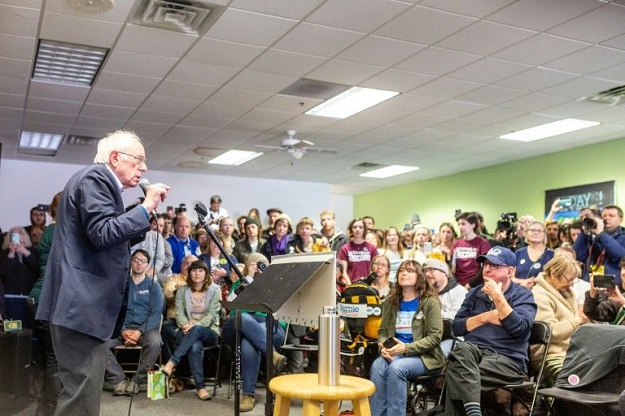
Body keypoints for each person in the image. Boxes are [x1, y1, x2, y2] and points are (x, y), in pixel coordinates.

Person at [35, 130, 169, 416]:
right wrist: (144, 208)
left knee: (81, 392)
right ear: (114, 157)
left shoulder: (95, 183)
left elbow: (99, 238)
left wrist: (140, 217)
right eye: (138, 160)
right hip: (80, 306)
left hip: (79, 306)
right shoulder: (95, 179)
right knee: (81, 395)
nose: (144, 168)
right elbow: (102, 233)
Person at [441, 246, 537, 416]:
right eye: (485, 264)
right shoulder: (474, 293)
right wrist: (486, 317)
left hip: (508, 360)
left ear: (510, 271)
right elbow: (456, 328)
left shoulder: (523, 295)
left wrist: (498, 298)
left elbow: (519, 329)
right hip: (473, 353)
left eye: (494, 265)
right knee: (462, 351)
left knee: (456, 370)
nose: (487, 268)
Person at [370, 259, 445, 416]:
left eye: (410, 271)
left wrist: (406, 348)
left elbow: (434, 337)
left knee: (397, 368)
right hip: (395, 353)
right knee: (377, 366)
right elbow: (383, 331)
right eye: (402, 270)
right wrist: (383, 346)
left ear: (420, 277)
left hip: (425, 357)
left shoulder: (429, 302)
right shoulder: (390, 301)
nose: (404, 273)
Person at [222, 253, 287, 413]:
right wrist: (249, 277)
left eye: (264, 264)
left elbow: (283, 312)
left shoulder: (276, 284)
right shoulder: (240, 283)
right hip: (239, 323)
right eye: (255, 264)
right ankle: (271, 353)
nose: (259, 267)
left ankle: (248, 395)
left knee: (249, 343)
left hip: (269, 325)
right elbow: (230, 304)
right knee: (243, 316)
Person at [105, 249, 164, 396]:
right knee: (100, 343)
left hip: (146, 329)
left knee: (155, 342)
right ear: (130, 262)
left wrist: (139, 332)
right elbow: (114, 310)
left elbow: (155, 315)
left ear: (147, 265)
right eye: (135, 260)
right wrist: (123, 330)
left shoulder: (154, 287)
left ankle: (138, 381)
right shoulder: (122, 284)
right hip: (121, 328)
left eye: (142, 261)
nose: (138, 263)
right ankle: (118, 379)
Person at [162, 261, 221, 401]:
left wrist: (194, 326)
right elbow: (179, 314)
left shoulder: (215, 290)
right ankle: (200, 387)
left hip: (209, 331)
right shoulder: (182, 290)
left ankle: (171, 363)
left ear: (206, 274)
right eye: (194, 270)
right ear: (189, 273)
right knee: (195, 346)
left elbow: (211, 316)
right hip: (187, 329)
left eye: (200, 270)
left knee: (198, 330)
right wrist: (186, 325)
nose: (197, 273)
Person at [29, 191, 62, 416]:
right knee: (53, 358)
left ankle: (44, 405)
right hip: (48, 299)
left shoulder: (51, 230)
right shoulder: (58, 231)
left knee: (44, 356)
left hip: (40, 298)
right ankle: (53, 406)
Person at [530, 255, 587, 385]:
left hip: (569, 354)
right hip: (547, 355)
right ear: (554, 274)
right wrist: (577, 321)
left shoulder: (567, 293)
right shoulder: (539, 295)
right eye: (570, 279)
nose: (572, 283)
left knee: (595, 372)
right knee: (577, 378)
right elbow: (550, 333)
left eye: (574, 280)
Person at [424, 258, 467, 357]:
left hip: (453, 338)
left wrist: (430, 315)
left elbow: (455, 318)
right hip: (428, 337)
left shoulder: (459, 292)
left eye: (432, 270)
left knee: (432, 356)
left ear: (444, 273)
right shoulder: (425, 294)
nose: (427, 274)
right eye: (425, 271)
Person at [574, 205, 625, 284]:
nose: (606, 218)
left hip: (612, 284)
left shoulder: (622, 236)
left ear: (621, 219)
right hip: (590, 282)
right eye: (604, 216)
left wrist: (601, 234)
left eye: (611, 215)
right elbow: (578, 256)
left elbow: (620, 255)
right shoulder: (594, 234)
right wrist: (585, 233)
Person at [451, 212, 490, 287]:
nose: (460, 227)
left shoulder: (483, 244)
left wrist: (469, 285)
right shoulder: (456, 244)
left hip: (476, 286)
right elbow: (452, 268)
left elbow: (484, 268)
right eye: (458, 224)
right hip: (458, 286)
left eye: (463, 224)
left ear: (473, 225)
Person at [583, 256, 625, 324]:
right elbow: (592, 313)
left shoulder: (621, 298)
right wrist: (593, 294)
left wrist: (623, 302)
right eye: (624, 268)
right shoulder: (615, 294)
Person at [513, 221, 554, 288]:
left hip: (543, 295)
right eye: (532, 230)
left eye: (540, 230)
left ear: (545, 234)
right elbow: (510, 278)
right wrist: (522, 282)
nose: (536, 233)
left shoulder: (552, 255)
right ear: (526, 233)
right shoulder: (518, 253)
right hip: (520, 294)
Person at [338, 218, 379, 283]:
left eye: (360, 227)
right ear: (351, 229)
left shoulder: (372, 248)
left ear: (364, 230)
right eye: (355, 227)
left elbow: (376, 269)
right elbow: (343, 272)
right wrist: (350, 286)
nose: (357, 229)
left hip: (369, 285)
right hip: (352, 284)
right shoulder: (345, 248)